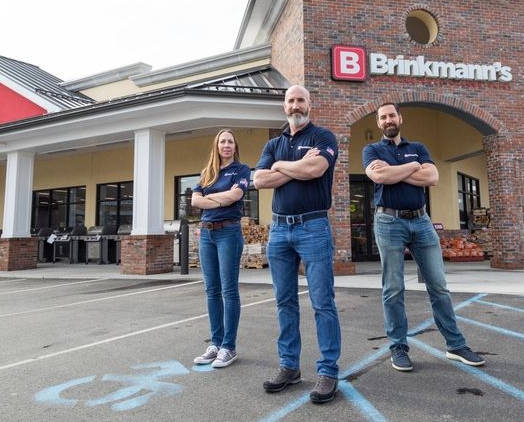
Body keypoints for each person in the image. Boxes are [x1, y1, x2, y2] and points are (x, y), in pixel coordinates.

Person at [362, 102, 485, 372]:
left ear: (400, 118)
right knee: (393, 288)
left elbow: (433, 177)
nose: (387, 120)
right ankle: (398, 347)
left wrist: (398, 171)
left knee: (439, 286)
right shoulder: (372, 150)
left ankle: (455, 345)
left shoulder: (417, 147)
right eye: (382, 117)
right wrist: (413, 168)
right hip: (388, 221)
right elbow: (378, 175)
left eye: (391, 115)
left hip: (421, 221)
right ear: (378, 122)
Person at [253, 85, 341, 404]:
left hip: (313, 226)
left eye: (300, 99)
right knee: (285, 301)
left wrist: (279, 167)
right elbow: (259, 180)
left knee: (322, 302)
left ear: (309, 104)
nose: (295, 104)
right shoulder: (274, 143)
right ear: (284, 106)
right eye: (290, 100)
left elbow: (316, 168)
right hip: (278, 231)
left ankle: (328, 370)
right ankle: (289, 367)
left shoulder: (323, 138)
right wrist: (294, 169)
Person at [190, 129, 250, 368]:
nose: (226, 145)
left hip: (228, 233)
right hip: (206, 233)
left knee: (229, 289)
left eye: (230, 142)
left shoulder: (241, 170)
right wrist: (220, 199)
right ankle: (215, 343)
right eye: (222, 141)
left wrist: (210, 200)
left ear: (235, 147)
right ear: (216, 146)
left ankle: (228, 347)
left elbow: (235, 196)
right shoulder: (207, 173)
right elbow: (195, 201)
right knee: (211, 290)